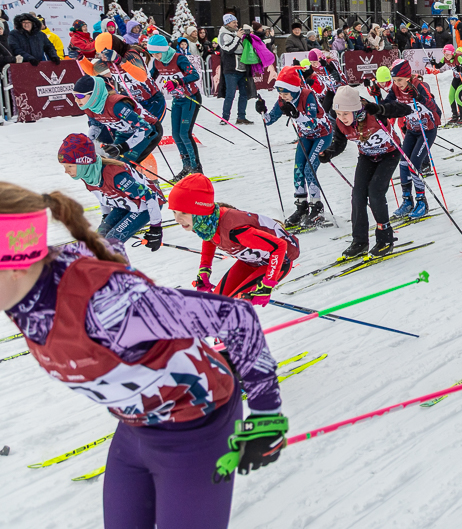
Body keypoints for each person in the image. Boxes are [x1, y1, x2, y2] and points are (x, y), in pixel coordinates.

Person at [0, 182, 287, 529]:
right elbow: (107, 247)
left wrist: (266, 416)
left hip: (197, 432)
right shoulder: (27, 286)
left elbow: (235, 317)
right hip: (135, 431)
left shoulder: (110, 305)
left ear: (15, 263)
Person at [168, 173, 299, 306]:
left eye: (183, 212)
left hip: (276, 263)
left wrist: (267, 285)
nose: (177, 219)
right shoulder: (205, 223)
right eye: (174, 212)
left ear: (200, 210)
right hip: (249, 262)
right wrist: (204, 268)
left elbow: (279, 246)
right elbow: (209, 237)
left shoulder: (235, 230)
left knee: (233, 305)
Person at [319, 86, 411, 258]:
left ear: (355, 110)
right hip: (367, 157)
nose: (342, 118)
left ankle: (385, 238)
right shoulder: (341, 123)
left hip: (389, 154)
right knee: (358, 195)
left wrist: (382, 109)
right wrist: (329, 153)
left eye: (345, 113)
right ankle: (359, 241)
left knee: (375, 192)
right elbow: (339, 143)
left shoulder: (372, 113)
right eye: (338, 114)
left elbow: (404, 109)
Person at [256, 67, 333, 229]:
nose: (282, 97)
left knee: (309, 170)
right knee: (298, 169)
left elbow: (312, 122)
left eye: (285, 93)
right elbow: (269, 120)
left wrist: (296, 114)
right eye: (280, 93)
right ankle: (301, 206)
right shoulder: (283, 100)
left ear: (293, 90)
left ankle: (316, 208)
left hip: (322, 134)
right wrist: (262, 111)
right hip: (305, 137)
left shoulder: (307, 96)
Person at [57, 133, 165, 245]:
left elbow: (150, 196)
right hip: (126, 205)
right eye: (64, 166)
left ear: (84, 162)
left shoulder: (115, 175)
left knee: (111, 241)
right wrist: (106, 217)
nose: (66, 171)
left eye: (70, 166)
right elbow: (103, 195)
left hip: (145, 206)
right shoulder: (89, 175)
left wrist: (156, 228)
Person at [383, 59, 442, 219]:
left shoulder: (419, 86)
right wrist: (377, 106)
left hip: (427, 130)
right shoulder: (395, 88)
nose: (397, 83)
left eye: (400, 80)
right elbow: (387, 104)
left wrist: (420, 98)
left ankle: (422, 202)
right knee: (403, 163)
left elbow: (435, 108)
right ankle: (407, 200)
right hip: (411, 130)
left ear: (408, 77)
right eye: (395, 80)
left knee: (414, 164)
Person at [147, 34, 203, 179]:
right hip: (177, 99)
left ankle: (196, 168)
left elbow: (194, 75)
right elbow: (150, 80)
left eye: (156, 53)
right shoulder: (157, 62)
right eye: (152, 54)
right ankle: (187, 166)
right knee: (176, 135)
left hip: (191, 98)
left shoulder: (179, 58)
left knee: (185, 133)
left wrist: (177, 82)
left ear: (163, 49)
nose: (155, 57)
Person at [73, 74, 161, 166]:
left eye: (80, 96)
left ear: (94, 94)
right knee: (111, 166)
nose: (76, 100)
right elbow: (96, 126)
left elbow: (145, 128)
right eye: (74, 96)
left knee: (123, 166)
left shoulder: (116, 106)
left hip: (150, 131)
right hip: (125, 134)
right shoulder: (90, 108)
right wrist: (87, 143)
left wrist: (123, 147)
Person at [218, 14, 252, 125]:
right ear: (227, 23)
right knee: (230, 94)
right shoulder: (223, 34)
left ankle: (241, 117)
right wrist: (237, 37)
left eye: (237, 22)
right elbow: (228, 49)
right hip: (231, 69)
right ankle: (225, 118)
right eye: (234, 22)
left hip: (242, 68)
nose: (236, 24)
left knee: (244, 94)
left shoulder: (236, 33)